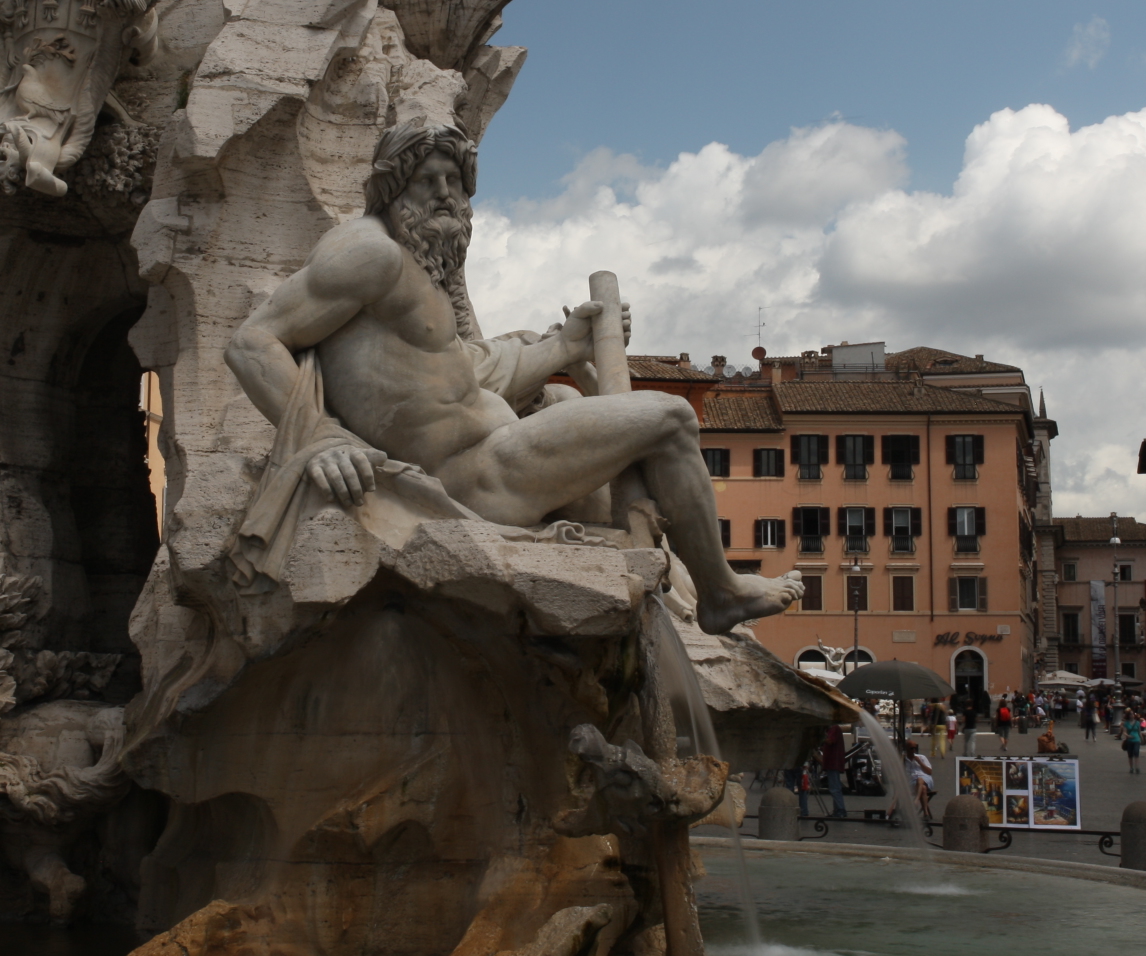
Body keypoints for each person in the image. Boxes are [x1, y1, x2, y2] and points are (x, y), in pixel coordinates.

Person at [224, 122, 804, 633]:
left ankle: (661, 569)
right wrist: (321, 437)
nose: (446, 194)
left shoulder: (420, 267)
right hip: (473, 479)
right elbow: (252, 342)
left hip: (490, 452)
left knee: (561, 394)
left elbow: (464, 375)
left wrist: (564, 346)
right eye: (428, 180)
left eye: (455, 182)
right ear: (394, 189)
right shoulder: (368, 255)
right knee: (672, 416)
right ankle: (721, 594)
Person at [820, 724, 849, 818]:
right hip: (832, 763)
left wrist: (820, 738)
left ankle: (840, 810)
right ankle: (837, 810)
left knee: (835, 788)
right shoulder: (833, 728)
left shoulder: (834, 728)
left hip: (833, 762)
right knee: (834, 787)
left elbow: (830, 741)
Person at [904, 739, 934, 820]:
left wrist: (920, 762)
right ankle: (926, 814)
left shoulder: (922, 757)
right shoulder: (904, 760)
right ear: (907, 749)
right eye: (911, 748)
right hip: (913, 782)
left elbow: (929, 772)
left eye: (915, 748)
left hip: (926, 779)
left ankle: (916, 799)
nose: (914, 750)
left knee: (920, 779)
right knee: (923, 788)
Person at [1123, 709, 1144, 774]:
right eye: (1130, 714)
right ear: (1128, 715)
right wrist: (1128, 736)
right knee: (1130, 755)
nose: (1132, 715)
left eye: (1132, 714)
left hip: (1136, 740)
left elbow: (1139, 732)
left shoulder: (1137, 723)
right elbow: (1124, 732)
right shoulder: (1126, 723)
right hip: (1129, 740)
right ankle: (1131, 768)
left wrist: (1142, 739)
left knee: (1136, 753)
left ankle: (1137, 767)